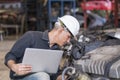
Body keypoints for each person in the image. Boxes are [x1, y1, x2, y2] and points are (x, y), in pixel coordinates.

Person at [4, 15, 80, 80]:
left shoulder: (57, 50)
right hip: (21, 78)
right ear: (61, 30)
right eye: (68, 37)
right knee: (43, 76)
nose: (68, 41)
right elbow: (10, 55)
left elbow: (54, 75)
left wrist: (67, 76)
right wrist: (14, 67)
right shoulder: (32, 37)